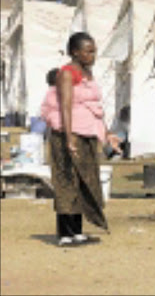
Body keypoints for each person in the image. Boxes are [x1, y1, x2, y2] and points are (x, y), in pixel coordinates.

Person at [41, 32, 121, 246]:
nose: (92, 55)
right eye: (88, 51)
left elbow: (94, 108)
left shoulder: (87, 74)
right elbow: (65, 106)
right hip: (68, 134)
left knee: (84, 180)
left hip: (87, 133)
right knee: (67, 180)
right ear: (75, 52)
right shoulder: (67, 74)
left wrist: (107, 133)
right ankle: (64, 233)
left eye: (93, 51)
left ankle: (77, 230)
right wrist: (68, 138)